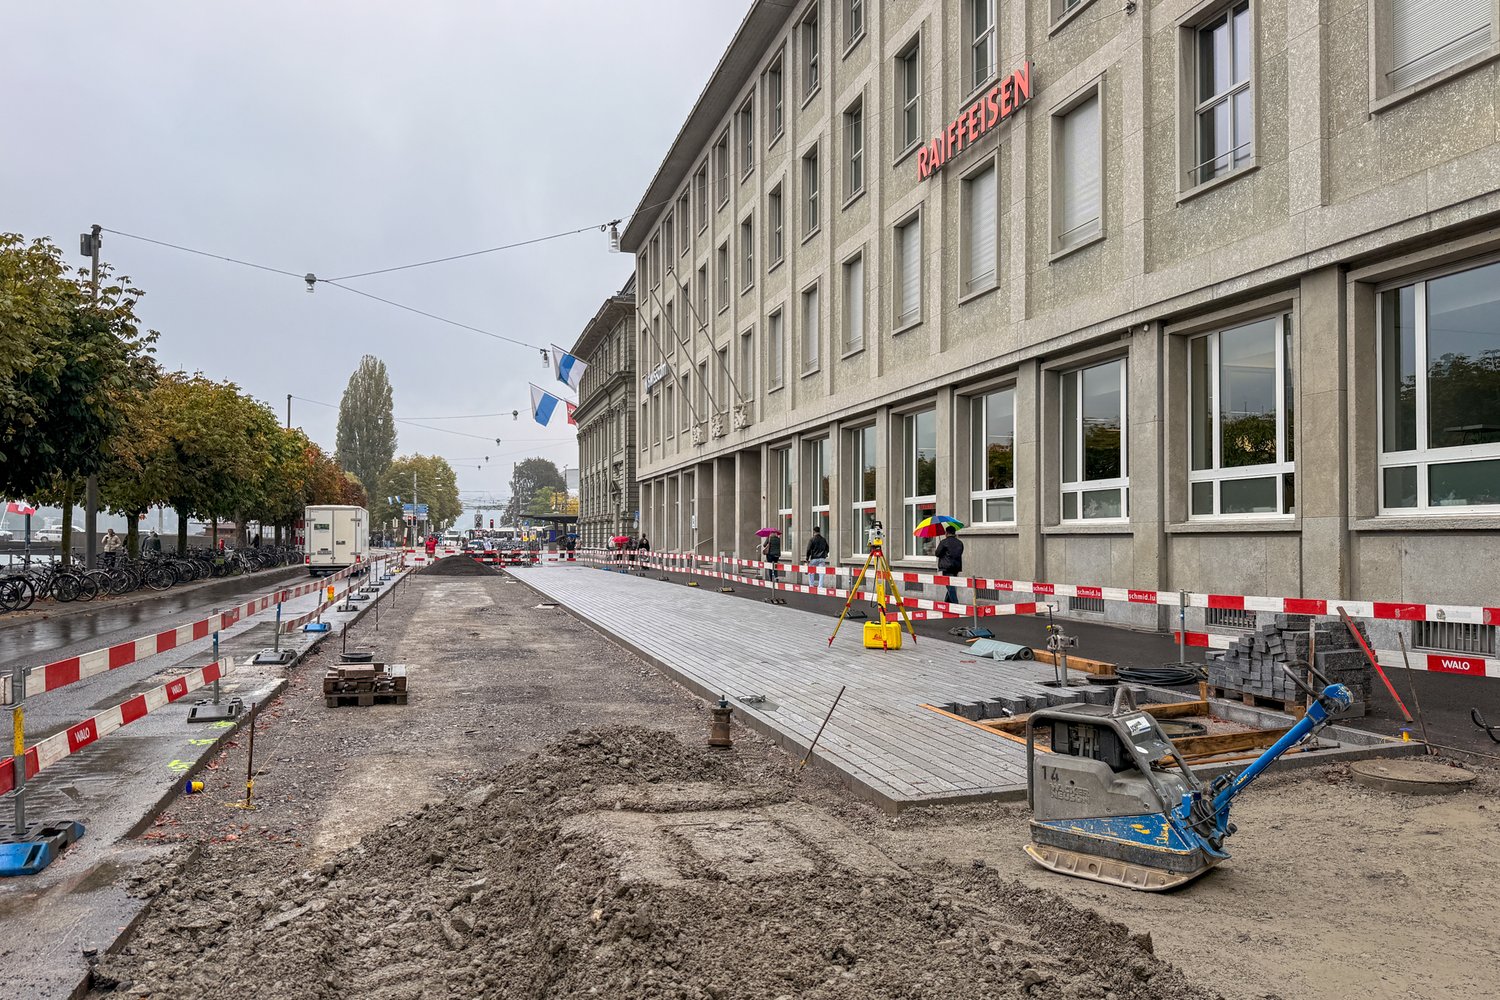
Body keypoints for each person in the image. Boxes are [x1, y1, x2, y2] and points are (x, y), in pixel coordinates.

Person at [934, 525, 964, 605]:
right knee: (951, 585)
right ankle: (946, 603)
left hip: (946, 567)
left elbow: (937, 553)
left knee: (950, 587)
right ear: (954, 533)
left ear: (946, 533)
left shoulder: (943, 542)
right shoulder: (960, 543)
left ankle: (956, 605)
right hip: (956, 567)